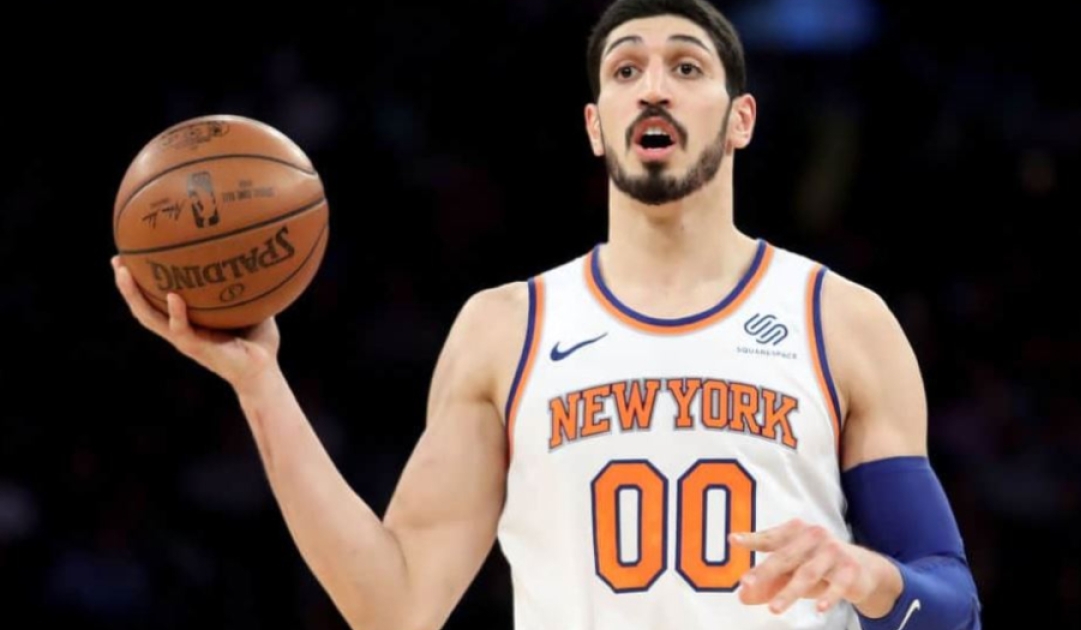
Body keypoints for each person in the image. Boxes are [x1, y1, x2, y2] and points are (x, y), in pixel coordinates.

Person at [111, 0, 982, 628]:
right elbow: (394, 607)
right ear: (596, 126)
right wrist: (260, 385)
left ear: (741, 119)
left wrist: (865, 574)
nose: (654, 88)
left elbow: (951, 605)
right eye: (626, 70)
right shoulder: (506, 330)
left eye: (686, 67)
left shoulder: (841, 322)